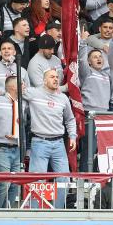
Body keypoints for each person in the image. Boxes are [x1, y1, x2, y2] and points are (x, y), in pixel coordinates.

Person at [24, 68, 76, 208]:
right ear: (44, 80)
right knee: (37, 180)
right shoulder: (34, 92)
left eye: (57, 77)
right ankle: (35, 212)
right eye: (52, 77)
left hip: (59, 142)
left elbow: (70, 119)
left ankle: (58, 211)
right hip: (40, 141)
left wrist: (72, 136)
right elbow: (14, 89)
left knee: (64, 179)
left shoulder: (63, 98)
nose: (55, 79)